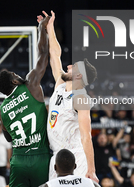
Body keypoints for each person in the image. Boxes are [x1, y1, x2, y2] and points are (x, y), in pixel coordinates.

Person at [37, 10, 98, 182]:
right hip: (57, 157)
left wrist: (91, 170)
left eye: (73, 67)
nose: (69, 66)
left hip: (76, 157)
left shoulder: (81, 98)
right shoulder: (61, 85)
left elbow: (87, 136)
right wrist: (50, 28)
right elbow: (55, 55)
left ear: (79, 76)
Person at [0, 15, 51, 187]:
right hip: (40, 156)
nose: (18, 75)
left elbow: (8, 137)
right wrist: (42, 27)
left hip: (18, 159)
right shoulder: (31, 84)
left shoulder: (1, 111)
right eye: (14, 74)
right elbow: (43, 54)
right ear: (14, 81)